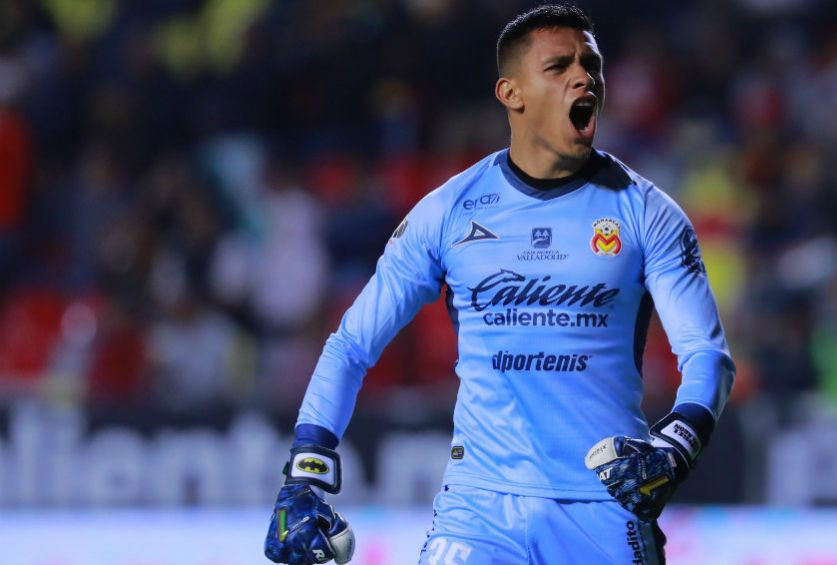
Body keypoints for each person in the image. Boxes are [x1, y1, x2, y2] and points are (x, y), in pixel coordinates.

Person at [264, 5, 735, 565]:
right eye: (559, 67)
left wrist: (676, 445)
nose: (583, 78)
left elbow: (707, 354)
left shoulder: (648, 213)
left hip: (606, 508)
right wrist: (305, 472)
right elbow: (350, 345)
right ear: (511, 93)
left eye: (591, 66)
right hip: (478, 511)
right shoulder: (447, 210)